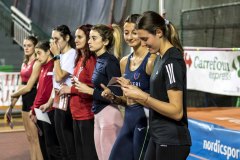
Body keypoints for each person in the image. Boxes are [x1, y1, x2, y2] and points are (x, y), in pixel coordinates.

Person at [118, 11, 192, 160]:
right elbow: (159, 98)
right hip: (157, 135)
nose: (143, 44)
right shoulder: (160, 58)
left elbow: (177, 112)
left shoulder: (171, 61)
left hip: (171, 140)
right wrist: (135, 91)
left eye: (145, 39)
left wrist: (143, 97)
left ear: (159, 32)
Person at [101, 14, 156, 160]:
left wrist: (138, 94)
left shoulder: (151, 61)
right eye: (126, 33)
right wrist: (114, 98)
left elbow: (159, 99)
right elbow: (126, 100)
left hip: (145, 121)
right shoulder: (124, 62)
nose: (130, 37)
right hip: (129, 120)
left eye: (134, 32)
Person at [74, 24, 123, 160]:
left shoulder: (111, 61)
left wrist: (90, 91)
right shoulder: (99, 60)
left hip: (109, 115)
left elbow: (116, 95)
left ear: (105, 42)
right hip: (99, 115)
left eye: (94, 38)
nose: (89, 41)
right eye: (89, 38)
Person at [59, 24, 98, 160]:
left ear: (88, 39)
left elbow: (93, 88)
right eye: (76, 36)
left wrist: (71, 89)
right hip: (76, 114)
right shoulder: (79, 59)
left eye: (80, 37)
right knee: (80, 155)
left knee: (89, 155)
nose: (76, 40)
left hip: (87, 114)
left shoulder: (91, 60)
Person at [6, 36, 43, 160]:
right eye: (25, 45)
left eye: (29, 45)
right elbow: (20, 87)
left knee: (36, 139)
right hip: (25, 103)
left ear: (35, 47)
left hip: (34, 102)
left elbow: (28, 87)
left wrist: (12, 95)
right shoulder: (24, 63)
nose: (26, 48)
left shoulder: (37, 63)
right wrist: (10, 107)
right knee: (29, 138)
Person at [30, 41, 62, 160]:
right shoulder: (43, 67)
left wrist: (35, 108)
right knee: (46, 147)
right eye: (36, 54)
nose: (37, 57)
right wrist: (34, 108)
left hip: (51, 110)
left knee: (53, 147)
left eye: (39, 53)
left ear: (48, 51)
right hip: (41, 111)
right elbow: (40, 92)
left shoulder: (53, 65)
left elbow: (47, 92)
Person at [49, 25, 77, 160]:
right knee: (61, 143)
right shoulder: (60, 56)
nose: (54, 43)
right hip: (58, 100)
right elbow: (55, 82)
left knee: (68, 143)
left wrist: (55, 56)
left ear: (66, 38)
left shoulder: (72, 54)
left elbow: (60, 77)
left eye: (57, 39)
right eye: (52, 39)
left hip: (68, 101)